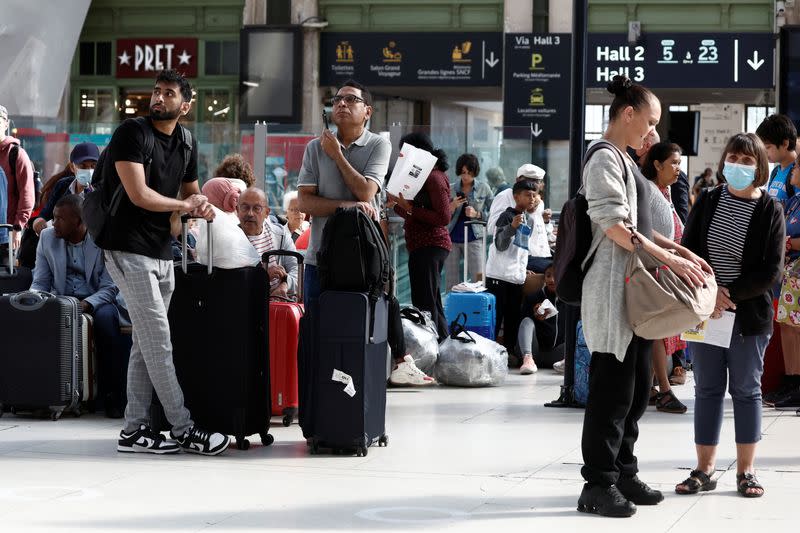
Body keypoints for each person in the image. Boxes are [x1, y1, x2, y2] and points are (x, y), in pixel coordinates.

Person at [578, 76, 710, 518]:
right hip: (612, 294)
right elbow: (615, 225)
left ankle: (623, 471)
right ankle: (597, 483)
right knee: (611, 393)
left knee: (635, 392)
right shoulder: (602, 159)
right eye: (649, 123)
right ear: (627, 114)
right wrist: (670, 260)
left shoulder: (626, 162)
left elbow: (642, 227)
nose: (653, 134)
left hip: (632, 294)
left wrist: (681, 251)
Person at [97, 69, 230, 456]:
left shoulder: (186, 142)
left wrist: (200, 208)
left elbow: (191, 196)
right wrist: (185, 205)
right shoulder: (132, 133)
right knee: (159, 342)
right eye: (156, 92)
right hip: (124, 247)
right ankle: (184, 428)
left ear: (184, 106)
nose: (158, 98)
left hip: (159, 251)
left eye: (168, 93)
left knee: (144, 343)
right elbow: (139, 194)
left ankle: (134, 430)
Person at [676, 133, 785, 499]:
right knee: (706, 389)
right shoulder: (708, 200)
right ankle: (704, 469)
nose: (738, 165)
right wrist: (711, 293)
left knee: (746, 390)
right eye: (733, 158)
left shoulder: (770, 209)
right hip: (706, 311)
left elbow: (772, 270)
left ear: (759, 167)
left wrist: (729, 294)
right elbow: (688, 251)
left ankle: (746, 471)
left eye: (747, 160)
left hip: (747, 316)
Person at [30, 194, 130, 418]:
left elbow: (110, 287)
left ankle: (112, 395)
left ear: (79, 221)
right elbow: (40, 282)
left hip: (97, 300)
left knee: (106, 321)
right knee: (39, 320)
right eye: (53, 218)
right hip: (61, 300)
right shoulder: (47, 237)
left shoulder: (102, 239)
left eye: (59, 219)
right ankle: (46, 392)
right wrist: (36, 302)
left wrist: (86, 304)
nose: (53, 223)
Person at [387, 132, 452, 341]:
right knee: (431, 301)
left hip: (430, 245)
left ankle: (430, 348)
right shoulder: (422, 176)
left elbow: (443, 216)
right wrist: (397, 205)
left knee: (425, 302)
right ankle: (442, 344)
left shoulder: (434, 177)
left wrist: (409, 208)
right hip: (421, 245)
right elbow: (411, 213)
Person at [641, 142, 689, 414]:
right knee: (658, 331)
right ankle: (664, 390)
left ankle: (651, 387)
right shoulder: (648, 190)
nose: (678, 169)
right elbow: (645, 229)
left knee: (660, 332)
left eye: (679, 163)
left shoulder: (666, 191)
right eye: (673, 163)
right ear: (657, 164)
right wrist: (676, 251)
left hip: (667, 269)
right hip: (654, 270)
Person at [485, 180, 539, 357]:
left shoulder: (530, 220)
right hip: (498, 276)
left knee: (512, 319)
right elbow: (500, 244)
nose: (532, 198)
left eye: (534, 195)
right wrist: (512, 227)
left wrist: (524, 270)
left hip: (516, 277)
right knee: (496, 317)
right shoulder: (506, 216)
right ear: (516, 197)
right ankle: (491, 355)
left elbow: (523, 249)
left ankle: (507, 356)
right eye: (527, 195)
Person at [768, 156, 800, 411]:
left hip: (797, 272)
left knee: (796, 328)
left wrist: (788, 243)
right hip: (789, 275)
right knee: (787, 326)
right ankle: (791, 379)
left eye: (797, 167)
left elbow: (789, 238)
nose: (792, 172)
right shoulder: (795, 200)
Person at [487, 164, 553, 273]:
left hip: (541, 255)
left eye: (537, 181)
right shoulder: (505, 196)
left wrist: (546, 221)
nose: (532, 185)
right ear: (517, 180)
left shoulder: (539, 201)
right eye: (528, 181)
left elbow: (540, 233)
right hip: (517, 260)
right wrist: (514, 221)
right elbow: (492, 229)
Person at [237, 187, 298, 298]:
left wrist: (285, 285)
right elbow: (230, 283)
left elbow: (298, 270)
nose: (250, 213)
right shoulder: (231, 239)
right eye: (245, 207)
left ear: (267, 212)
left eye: (257, 208)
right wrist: (262, 278)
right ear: (237, 210)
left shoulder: (281, 235)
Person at [445, 153, 493, 290]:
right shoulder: (451, 189)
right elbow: (442, 215)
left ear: (475, 172)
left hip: (474, 237)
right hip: (452, 237)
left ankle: (477, 308)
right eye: (463, 172)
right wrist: (452, 207)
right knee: (451, 281)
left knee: (479, 278)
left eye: (469, 173)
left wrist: (477, 214)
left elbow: (495, 213)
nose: (465, 176)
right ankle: (453, 309)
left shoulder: (484, 187)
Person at [32, 143, 101, 236]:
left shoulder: (101, 191)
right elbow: (46, 213)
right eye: (83, 166)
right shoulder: (63, 185)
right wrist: (39, 221)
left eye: (93, 166)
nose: (89, 170)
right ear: (72, 167)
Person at [0, 104, 35, 262]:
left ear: (6, 123)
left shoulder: (16, 154)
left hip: (6, 236)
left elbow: (27, 195)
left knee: (5, 284)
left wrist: (18, 227)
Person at [517, 260, 564, 374]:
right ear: (544, 279)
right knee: (527, 321)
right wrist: (535, 315)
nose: (552, 280)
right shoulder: (533, 297)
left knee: (579, 327)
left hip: (559, 355)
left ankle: (568, 362)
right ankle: (528, 359)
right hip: (535, 351)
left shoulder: (570, 301)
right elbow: (523, 324)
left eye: (556, 276)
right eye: (548, 276)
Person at [756, 113, 797, 209]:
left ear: (785, 143)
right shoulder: (775, 172)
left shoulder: (797, 173)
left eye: (767, 147)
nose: (764, 153)